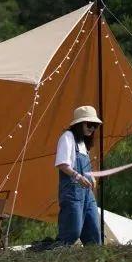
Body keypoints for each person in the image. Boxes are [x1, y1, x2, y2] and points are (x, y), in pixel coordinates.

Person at [55, 105, 102, 246]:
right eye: (90, 124)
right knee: (72, 231)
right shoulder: (67, 137)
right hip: (72, 193)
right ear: (79, 124)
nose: (92, 128)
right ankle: (53, 256)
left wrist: (91, 176)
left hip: (87, 195)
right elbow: (62, 164)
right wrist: (78, 177)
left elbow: (85, 168)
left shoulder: (83, 143)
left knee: (94, 231)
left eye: (95, 126)